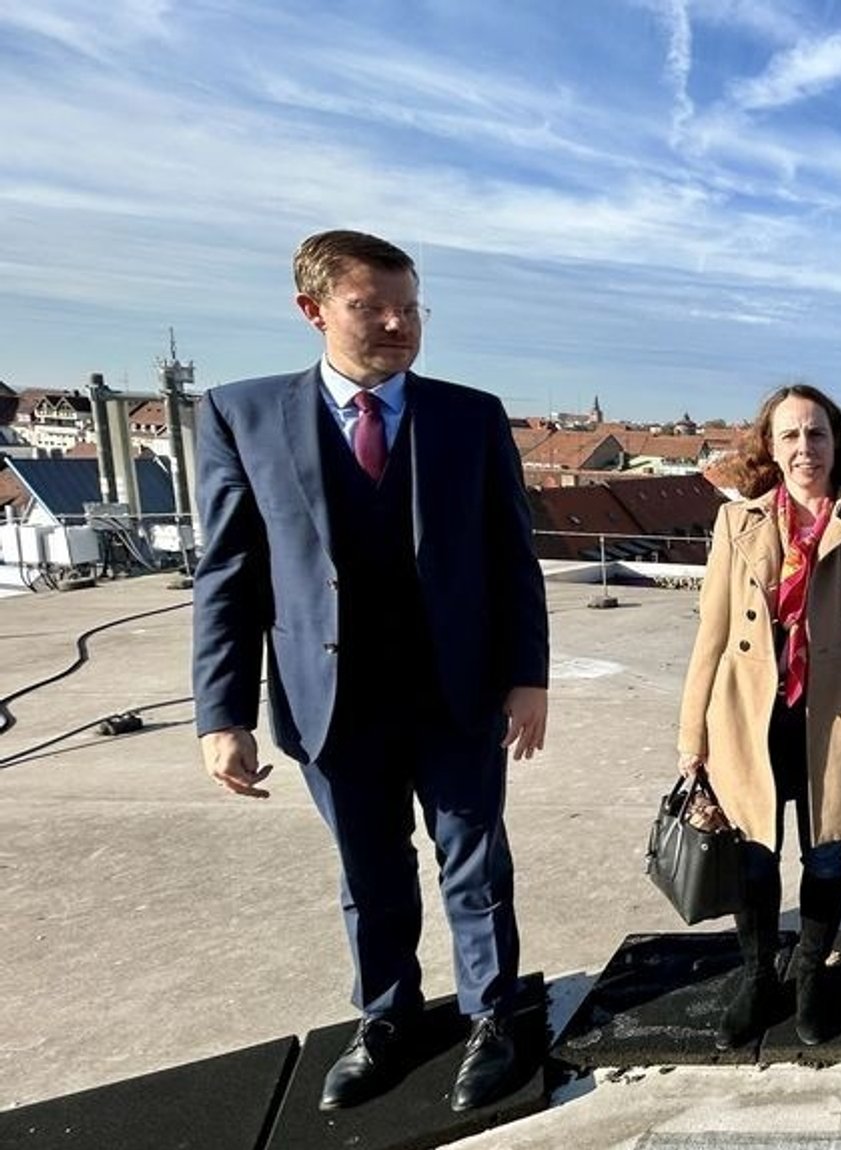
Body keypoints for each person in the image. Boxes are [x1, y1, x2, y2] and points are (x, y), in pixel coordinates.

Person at [191, 230, 550, 1111]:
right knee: (369, 871)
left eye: (410, 307)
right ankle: (386, 1018)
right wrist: (220, 712)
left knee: (474, 863)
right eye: (371, 308)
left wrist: (528, 676)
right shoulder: (243, 413)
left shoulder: (469, 414)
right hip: (332, 699)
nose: (397, 324)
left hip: (454, 691)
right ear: (312, 311)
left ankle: (493, 1015)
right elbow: (229, 571)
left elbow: (513, 556)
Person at [676, 383, 841, 1048]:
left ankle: (812, 975)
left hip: (837, 719)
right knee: (756, 860)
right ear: (771, 448)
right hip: (752, 720)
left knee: (824, 857)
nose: (804, 448)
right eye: (789, 436)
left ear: (836, 443)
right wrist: (692, 732)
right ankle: (759, 978)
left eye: (816, 434)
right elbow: (712, 633)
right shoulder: (739, 524)